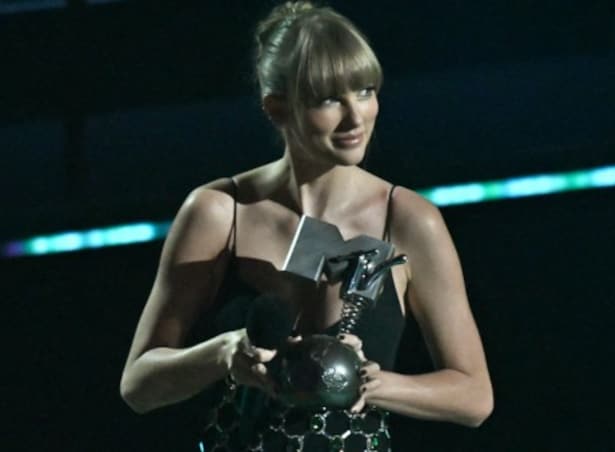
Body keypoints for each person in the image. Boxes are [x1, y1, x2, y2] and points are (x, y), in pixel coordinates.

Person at [120, 2, 492, 450]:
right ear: (278, 109)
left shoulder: (409, 220)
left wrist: (370, 383)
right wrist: (223, 353)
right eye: (330, 99)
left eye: (366, 91)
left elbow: (474, 396)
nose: (356, 118)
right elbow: (139, 386)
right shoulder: (221, 211)